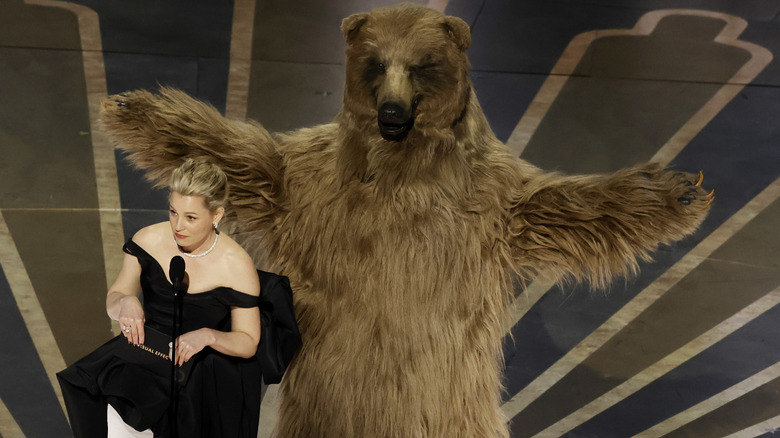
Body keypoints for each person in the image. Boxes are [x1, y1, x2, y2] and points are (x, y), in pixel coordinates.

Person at [57, 158, 274, 437]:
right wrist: (125, 302)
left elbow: (247, 342)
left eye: (191, 217)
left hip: (202, 370)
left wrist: (208, 336)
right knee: (97, 395)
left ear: (217, 215)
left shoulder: (237, 265)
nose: (178, 225)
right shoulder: (148, 240)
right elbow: (115, 296)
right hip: (148, 355)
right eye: (173, 211)